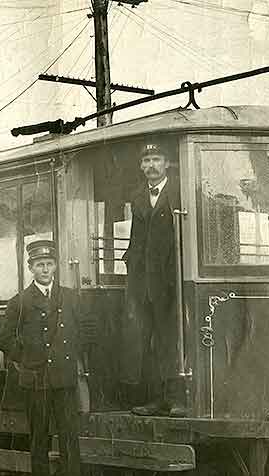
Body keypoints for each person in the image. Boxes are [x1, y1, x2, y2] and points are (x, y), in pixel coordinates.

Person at [0, 240, 94, 476]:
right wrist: (26, 359)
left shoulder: (69, 297)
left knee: (69, 437)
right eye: (39, 265)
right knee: (39, 437)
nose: (45, 269)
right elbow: (4, 339)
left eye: (49, 264)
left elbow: (88, 329)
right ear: (31, 268)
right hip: (36, 380)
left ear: (55, 267)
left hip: (64, 379)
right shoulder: (20, 302)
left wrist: (75, 351)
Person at [122, 142, 188, 417]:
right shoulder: (138, 199)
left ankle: (177, 399)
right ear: (141, 166)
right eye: (146, 160)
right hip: (144, 283)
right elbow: (136, 241)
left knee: (172, 339)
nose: (151, 165)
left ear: (167, 163)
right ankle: (154, 399)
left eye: (156, 159)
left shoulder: (179, 193)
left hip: (173, 282)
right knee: (146, 340)